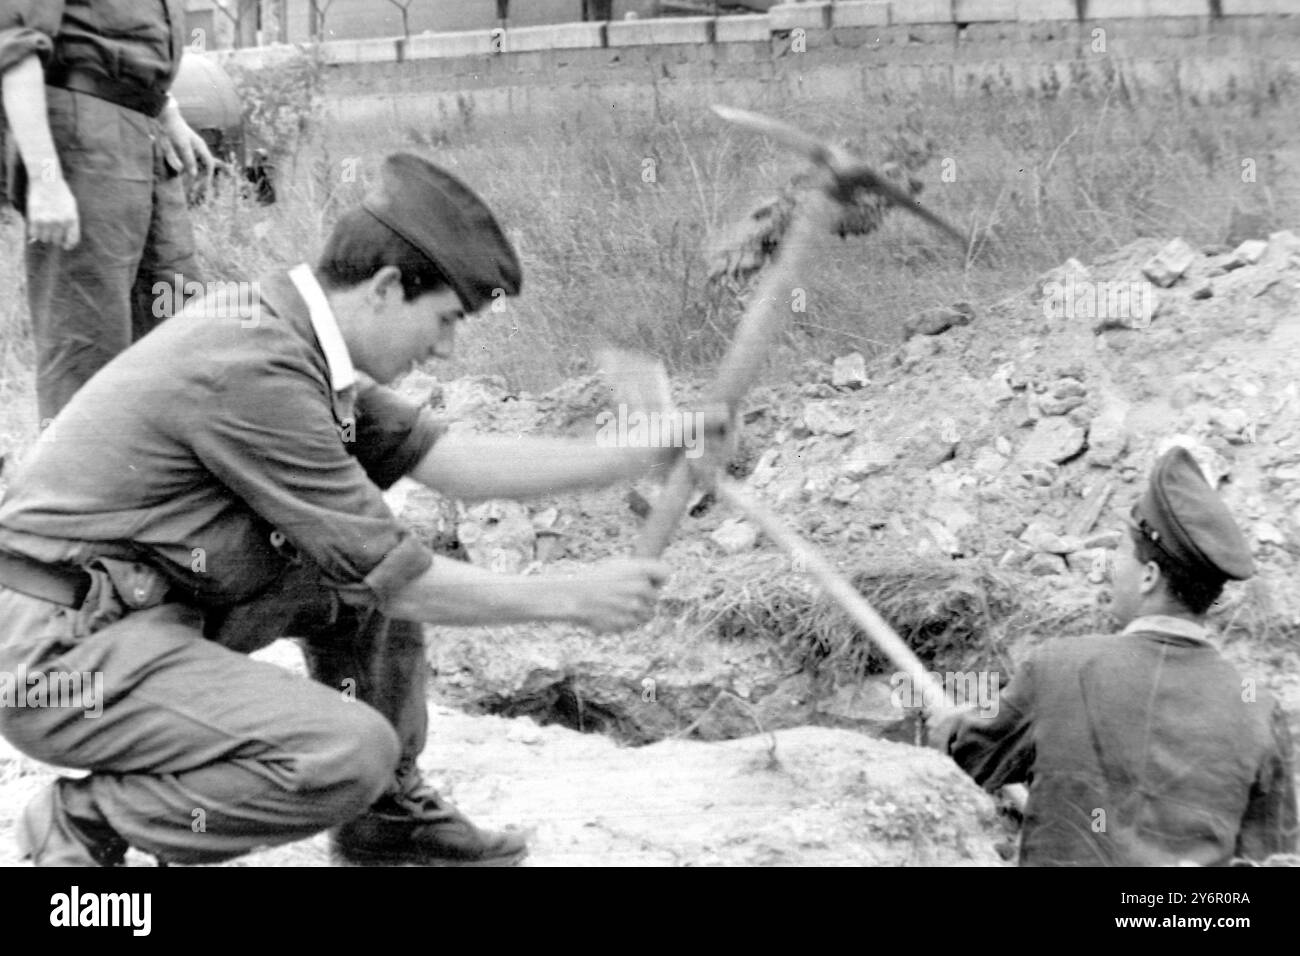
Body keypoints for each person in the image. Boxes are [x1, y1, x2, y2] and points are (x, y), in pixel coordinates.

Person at [0, 153, 682, 867]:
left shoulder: (293, 338)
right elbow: (404, 577)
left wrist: (645, 452)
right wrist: (575, 597)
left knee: (355, 591)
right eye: (445, 319)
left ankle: (387, 820)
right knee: (344, 749)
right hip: (60, 655)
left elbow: (449, 463)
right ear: (387, 287)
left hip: (128, 617)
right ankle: (86, 822)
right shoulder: (255, 363)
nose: (446, 349)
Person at [933, 446, 1297, 866]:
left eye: (1121, 552)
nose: (1110, 566)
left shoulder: (1057, 670)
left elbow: (966, 762)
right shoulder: (1260, 710)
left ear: (1149, 577)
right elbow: (1274, 857)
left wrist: (949, 727)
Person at [0, 1, 212, 422]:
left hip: (144, 132)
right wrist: (45, 178)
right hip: (83, 136)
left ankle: (160, 483)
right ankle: (75, 486)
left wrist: (167, 113)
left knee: (180, 328)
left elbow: (125, 44)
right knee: (86, 346)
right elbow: (12, 43)